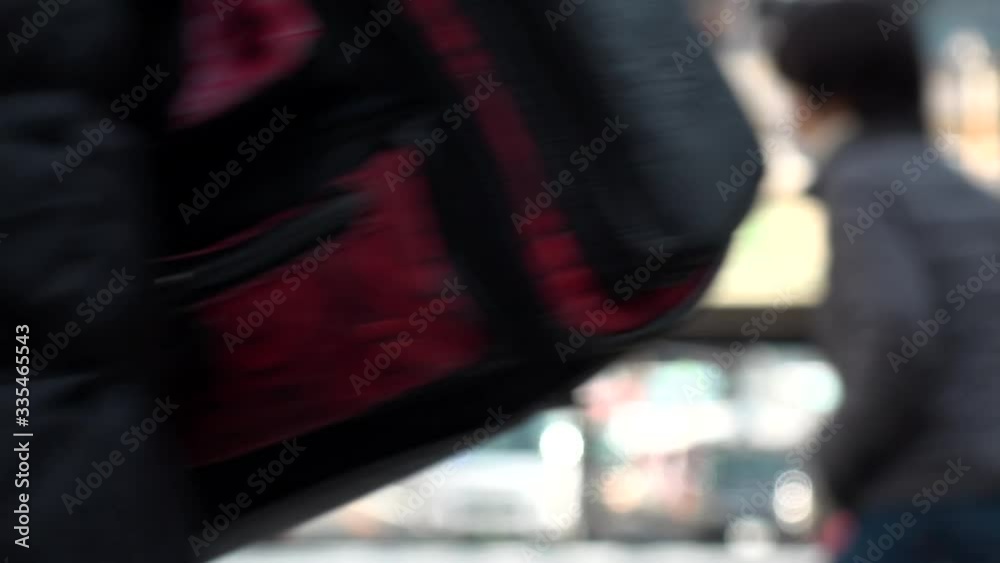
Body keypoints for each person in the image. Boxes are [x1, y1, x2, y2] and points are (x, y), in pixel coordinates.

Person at [771, 1, 1000, 562]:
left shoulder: (865, 184)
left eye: (798, 92)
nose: (792, 113)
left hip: (927, 506)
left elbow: (896, 332)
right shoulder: (962, 191)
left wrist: (833, 467)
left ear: (832, 96)